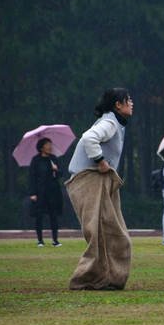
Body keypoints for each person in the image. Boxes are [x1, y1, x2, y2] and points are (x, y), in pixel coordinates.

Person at [66, 88, 134, 290]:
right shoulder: (109, 122)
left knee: (112, 232)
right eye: (127, 100)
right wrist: (100, 160)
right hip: (89, 179)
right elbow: (89, 138)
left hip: (98, 180)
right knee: (100, 233)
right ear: (117, 105)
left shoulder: (115, 123)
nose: (131, 103)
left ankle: (109, 278)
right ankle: (90, 278)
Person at [28, 138, 64, 247]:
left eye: (50, 144)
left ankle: (55, 240)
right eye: (48, 144)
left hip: (53, 192)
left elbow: (60, 175)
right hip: (40, 192)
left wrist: (56, 169)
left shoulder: (53, 159)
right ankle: (40, 240)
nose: (50, 147)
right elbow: (32, 177)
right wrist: (33, 193)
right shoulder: (35, 160)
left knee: (54, 216)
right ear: (42, 147)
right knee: (39, 216)